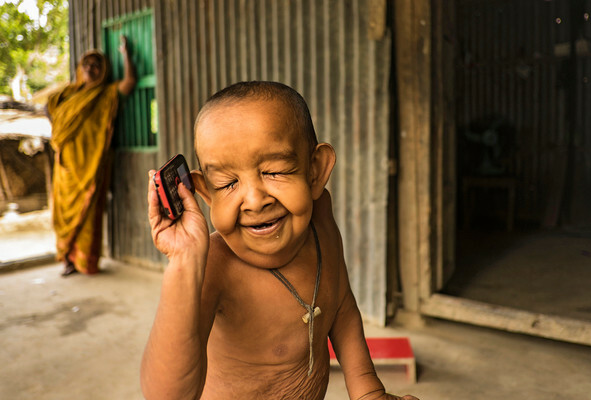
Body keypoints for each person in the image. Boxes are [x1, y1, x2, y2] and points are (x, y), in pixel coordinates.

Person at [141, 81, 419, 400]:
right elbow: (166, 396)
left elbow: (341, 306)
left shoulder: (321, 220)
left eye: (274, 171)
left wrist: (368, 390)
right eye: (228, 183)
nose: (255, 200)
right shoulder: (214, 266)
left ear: (315, 171)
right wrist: (184, 265)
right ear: (205, 194)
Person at [46, 36, 136, 276]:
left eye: (96, 65)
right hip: (65, 166)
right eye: (86, 64)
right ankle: (67, 260)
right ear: (79, 68)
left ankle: (85, 262)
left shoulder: (106, 94)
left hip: (90, 166)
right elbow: (51, 112)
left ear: (103, 70)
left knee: (87, 216)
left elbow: (129, 82)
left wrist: (125, 54)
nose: (90, 68)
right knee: (62, 213)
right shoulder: (66, 95)